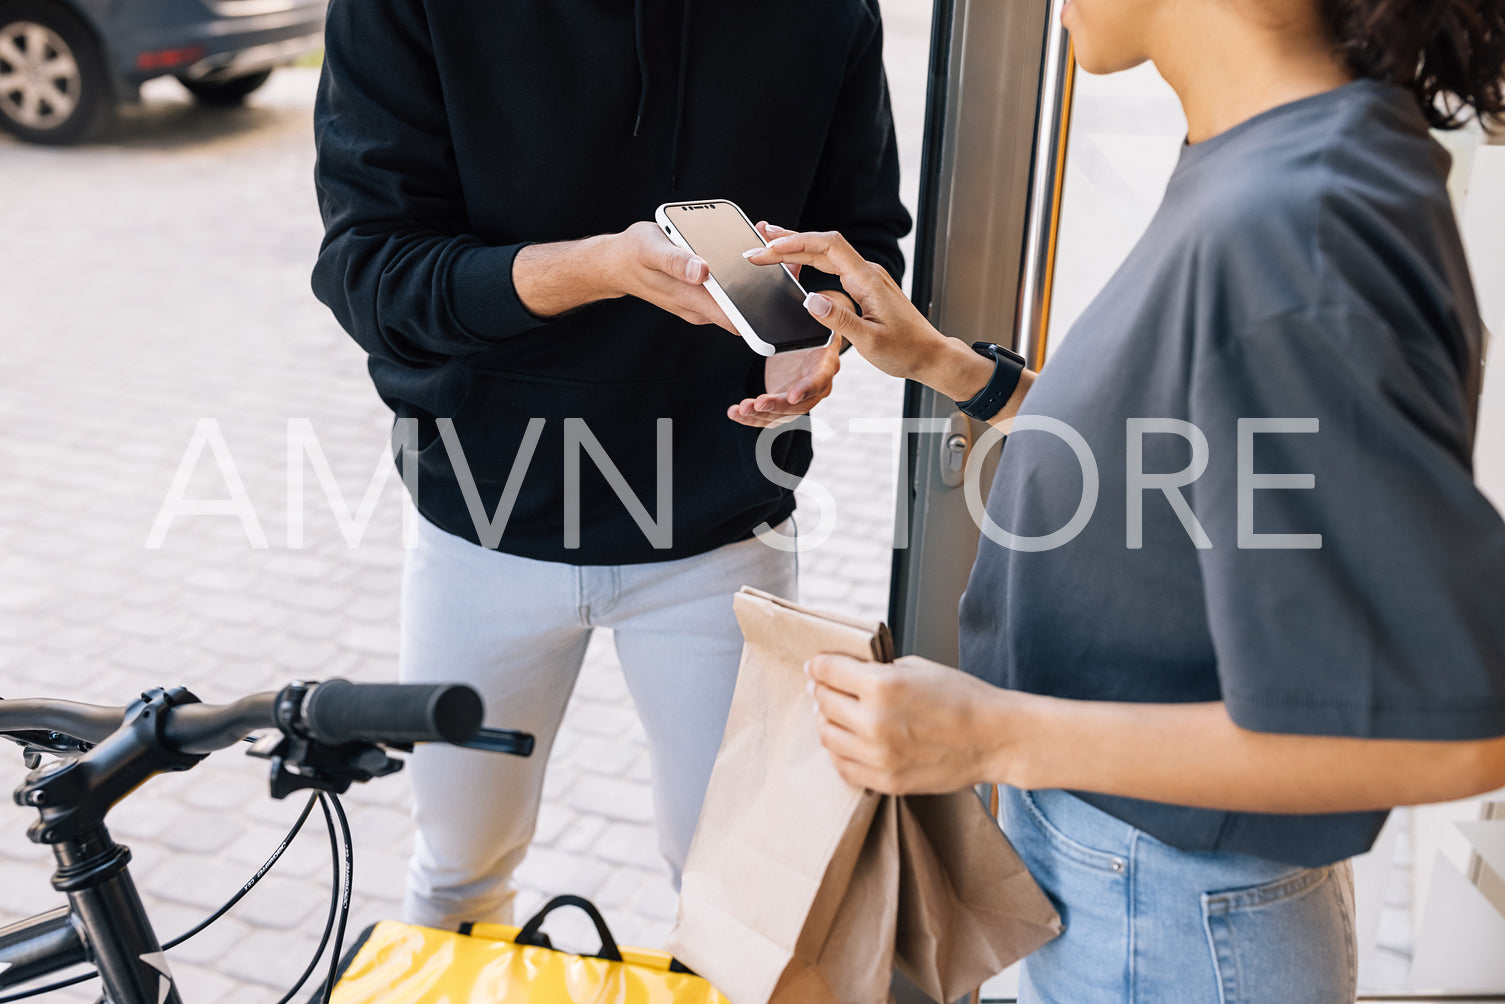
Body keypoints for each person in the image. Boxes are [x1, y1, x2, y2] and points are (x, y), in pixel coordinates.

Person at [747, 0, 1505, 1000]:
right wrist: (942, 361)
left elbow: (1443, 728)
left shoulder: (1294, 225)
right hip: (1146, 890)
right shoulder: (1264, 156)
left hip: (1174, 920)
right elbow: (1183, 453)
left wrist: (987, 732)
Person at [310, 0, 910, 929]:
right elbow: (372, 273)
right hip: (483, 521)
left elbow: (860, 231)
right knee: (458, 872)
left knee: (737, 892)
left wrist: (816, 331)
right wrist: (600, 267)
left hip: (722, 528)